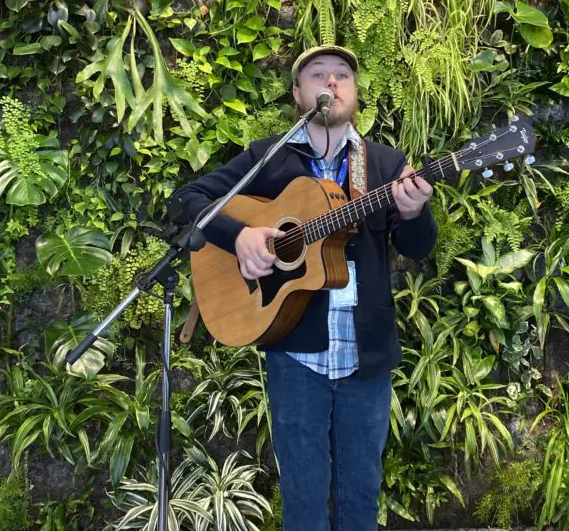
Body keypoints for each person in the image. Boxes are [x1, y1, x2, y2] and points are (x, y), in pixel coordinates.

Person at [173, 44, 438, 531]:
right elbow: (190, 199)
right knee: (303, 495)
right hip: (296, 354)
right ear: (299, 93)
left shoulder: (383, 164)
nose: (332, 83)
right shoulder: (269, 159)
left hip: (367, 355)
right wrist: (242, 235)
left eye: (343, 75)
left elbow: (418, 248)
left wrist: (414, 211)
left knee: (361, 492)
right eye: (319, 75)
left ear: (355, 93)